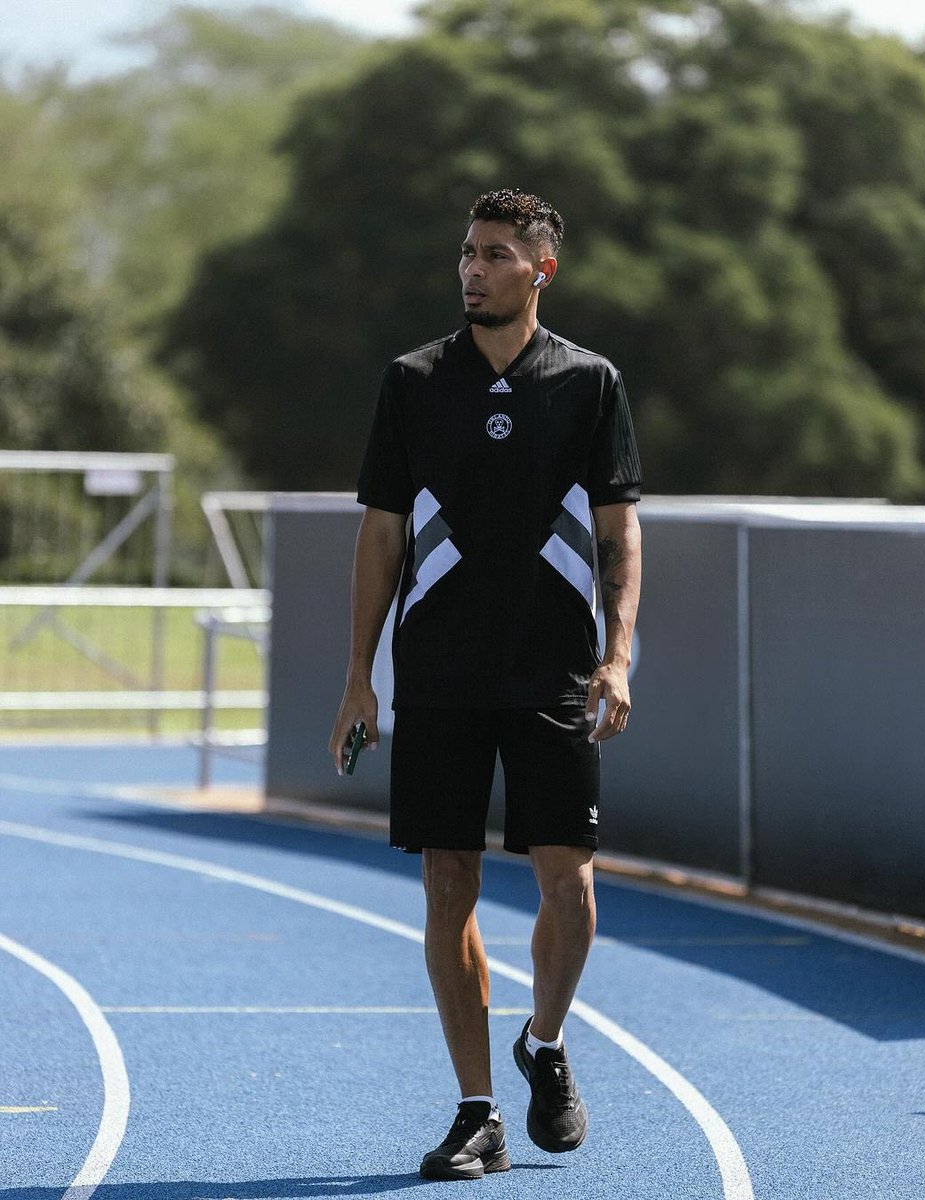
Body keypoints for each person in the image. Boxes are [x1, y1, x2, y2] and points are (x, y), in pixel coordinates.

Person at [328, 188, 642, 1180]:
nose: (472, 268)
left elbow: (618, 531)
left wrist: (619, 653)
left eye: (495, 253)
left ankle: (544, 1045)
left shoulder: (589, 383)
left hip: (553, 671)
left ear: (539, 270)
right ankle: (478, 1112)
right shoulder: (413, 380)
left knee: (573, 891)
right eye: (466, 252)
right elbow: (380, 532)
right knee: (447, 886)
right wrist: (357, 680)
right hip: (439, 676)